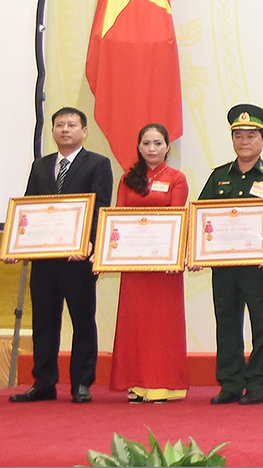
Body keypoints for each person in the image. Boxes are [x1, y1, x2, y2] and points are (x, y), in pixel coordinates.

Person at [9, 107, 113, 404]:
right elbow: (29, 208)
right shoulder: (40, 166)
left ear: (84, 131)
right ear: (52, 131)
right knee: (44, 322)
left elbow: (100, 207)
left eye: (72, 125)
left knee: (82, 321)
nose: (65, 129)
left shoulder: (98, 164)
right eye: (60, 125)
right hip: (44, 260)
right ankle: (43, 383)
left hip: (78, 259)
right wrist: (17, 244)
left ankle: (81, 383)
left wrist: (90, 243)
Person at [197, 104, 263, 405]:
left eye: (251, 135)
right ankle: (231, 382)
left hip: (259, 266)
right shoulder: (219, 177)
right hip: (224, 265)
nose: (244, 141)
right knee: (226, 322)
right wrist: (197, 251)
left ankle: (259, 382)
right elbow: (202, 217)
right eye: (238, 135)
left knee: (262, 324)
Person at [109, 123, 190, 402]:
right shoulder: (127, 179)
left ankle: (163, 385)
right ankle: (136, 384)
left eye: (158, 143)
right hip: (134, 264)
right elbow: (117, 217)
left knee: (162, 324)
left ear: (167, 147)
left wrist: (174, 254)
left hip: (164, 265)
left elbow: (178, 217)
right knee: (134, 323)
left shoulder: (177, 178)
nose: (152, 149)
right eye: (146, 143)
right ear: (139, 147)